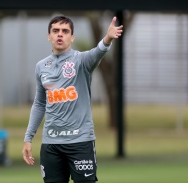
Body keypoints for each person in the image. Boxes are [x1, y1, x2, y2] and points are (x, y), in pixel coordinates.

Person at [22, 15, 123, 183]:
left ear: (72, 37)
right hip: (51, 144)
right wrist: (28, 138)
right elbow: (40, 103)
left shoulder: (82, 61)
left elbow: (97, 52)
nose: (60, 35)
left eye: (65, 31)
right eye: (55, 31)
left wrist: (107, 39)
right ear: (49, 36)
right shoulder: (41, 66)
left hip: (80, 141)